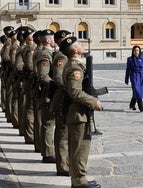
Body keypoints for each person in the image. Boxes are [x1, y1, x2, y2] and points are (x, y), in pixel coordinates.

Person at [60, 36, 102, 188]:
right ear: (75, 50)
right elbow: (75, 92)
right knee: (79, 149)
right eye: (79, 43)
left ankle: (79, 179)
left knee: (80, 148)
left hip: (79, 112)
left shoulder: (74, 64)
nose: (82, 44)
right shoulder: (75, 67)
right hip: (77, 114)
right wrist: (94, 101)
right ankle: (79, 182)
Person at [50, 30, 71, 176]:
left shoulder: (64, 55)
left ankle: (65, 164)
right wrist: (71, 90)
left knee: (65, 132)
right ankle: (63, 166)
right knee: (62, 133)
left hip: (65, 97)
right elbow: (58, 78)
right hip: (63, 98)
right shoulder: (62, 56)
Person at [36, 29, 56, 163]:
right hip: (47, 93)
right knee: (48, 124)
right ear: (48, 40)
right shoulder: (44, 54)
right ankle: (48, 154)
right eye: (53, 38)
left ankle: (48, 152)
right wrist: (56, 84)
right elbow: (43, 75)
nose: (54, 41)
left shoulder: (47, 52)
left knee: (48, 123)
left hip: (48, 92)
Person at [125, 45, 143, 112]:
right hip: (134, 76)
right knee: (137, 91)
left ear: (139, 51)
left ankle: (132, 104)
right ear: (133, 51)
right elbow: (128, 69)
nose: (136, 52)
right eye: (135, 50)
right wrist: (126, 79)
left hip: (141, 76)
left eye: (137, 50)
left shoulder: (142, 58)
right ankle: (141, 107)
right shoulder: (130, 59)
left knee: (139, 92)